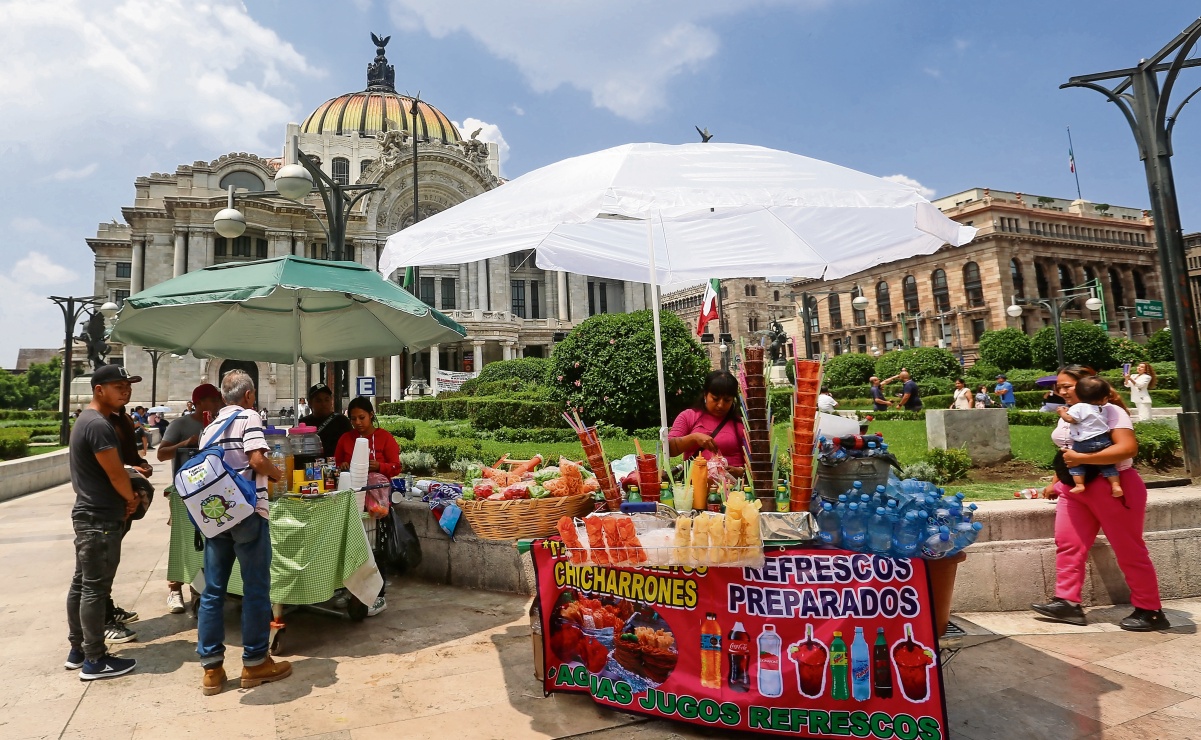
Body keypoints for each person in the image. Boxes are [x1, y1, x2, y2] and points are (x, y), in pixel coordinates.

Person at [1030, 365, 1169, 632]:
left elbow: (1126, 448)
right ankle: (1068, 603)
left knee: (1129, 549)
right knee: (1068, 543)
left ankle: (1150, 610)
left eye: (1067, 386)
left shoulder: (1111, 411)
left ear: (1086, 385)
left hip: (1113, 485)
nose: (1061, 391)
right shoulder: (1068, 415)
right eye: (1058, 386)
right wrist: (1056, 481)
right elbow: (1068, 450)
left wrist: (1083, 459)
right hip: (1076, 489)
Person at [196, 370, 290, 696]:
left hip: (215, 516)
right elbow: (256, 459)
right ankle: (254, 662)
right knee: (255, 588)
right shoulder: (249, 417)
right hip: (247, 513)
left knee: (213, 591)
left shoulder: (208, 429)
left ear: (224, 398)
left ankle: (211, 670)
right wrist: (276, 473)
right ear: (249, 396)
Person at [66, 364, 142, 680]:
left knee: (82, 584)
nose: (125, 390)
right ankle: (94, 660)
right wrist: (131, 498)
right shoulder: (98, 424)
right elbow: (115, 472)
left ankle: (78, 650)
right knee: (95, 589)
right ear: (99, 390)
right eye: (118, 385)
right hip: (100, 518)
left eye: (128, 385)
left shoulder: (89, 420)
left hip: (89, 514)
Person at [157, 383, 224, 614]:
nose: (218, 404)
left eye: (219, 400)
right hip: (185, 493)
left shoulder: (219, 424)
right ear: (199, 403)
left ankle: (202, 591)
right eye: (213, 400)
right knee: (182, 541)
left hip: (212, 493)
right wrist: (185, 444)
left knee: (208, 544)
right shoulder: (180, 425)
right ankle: (175, 589)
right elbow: (162, 453)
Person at [668, 370, 747, 476]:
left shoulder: (740, 424)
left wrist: (741, 472)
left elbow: (755, 464)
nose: (720, 405)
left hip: (733, 489)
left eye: (727, 400)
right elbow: (668, 449)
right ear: (705, 395)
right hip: (696, 487)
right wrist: (694, 438)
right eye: (715, 399)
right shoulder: (688, 417)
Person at [1055, 375, 1123, 498]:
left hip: (1085, 441)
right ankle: (1116, 485)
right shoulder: (1102, 409)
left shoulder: (1079, 407)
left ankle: (1080, 484)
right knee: (1107, 465)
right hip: (1103, 440)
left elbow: (1071, 419)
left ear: (1079, 395)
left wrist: (1062, 413)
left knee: (1077, 463)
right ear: (1104, 398)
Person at [298, 383, 353, 457]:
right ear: (310, 403)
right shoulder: (302, 423)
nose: (323, 404)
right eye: (318, 400)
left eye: (326, 400)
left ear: (331, 401)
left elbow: (351, 446)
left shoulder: (342, 421)